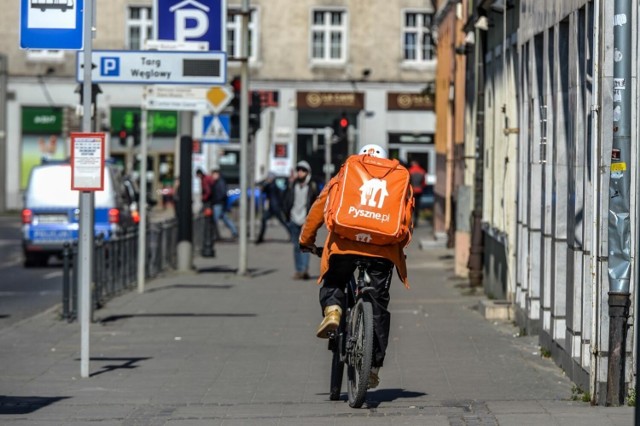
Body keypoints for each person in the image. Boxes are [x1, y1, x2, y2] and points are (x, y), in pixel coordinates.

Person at [298, 144, 413, 389]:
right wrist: (397, 249)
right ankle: (372, 367)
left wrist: (306, 241)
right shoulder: (397, 177)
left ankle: (333, 310)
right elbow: (406, 220)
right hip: (383, 251)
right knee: (379, 303)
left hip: (345, 245)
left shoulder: (345, 173)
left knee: (336, 280)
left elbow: (319, 208)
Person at [283, 160, 319, 280]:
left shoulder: (312, 186)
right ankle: (298, 270)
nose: (300, 172)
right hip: (293, 219)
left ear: (308, 172)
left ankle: (304, 270)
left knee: (304, 246)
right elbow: (286, 199)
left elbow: (316, 203)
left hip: (305, 221)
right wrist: (287, 215)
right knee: (295, 246)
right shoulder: (293, 185)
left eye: (303, 170)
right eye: (298, 170)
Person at [256, 172, 289, 244]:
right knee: (265, 219)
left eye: (269, 178)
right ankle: (260, 237)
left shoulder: (271, 185)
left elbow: (263, 187)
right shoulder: (273, 185)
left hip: (274, 208)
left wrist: (265, 182)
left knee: (283, 222)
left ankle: (293, 235)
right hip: (274, 207)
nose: (268, 179)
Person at [210, 168, 238, 240]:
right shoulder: (217, 182)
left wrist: (217, 200)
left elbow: (222, 193)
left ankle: (213, 235)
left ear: (217, 174)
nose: (212, 176)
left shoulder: (220, 182)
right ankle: (234, 232)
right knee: (225, 218)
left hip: (218, 203)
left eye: (213, 174)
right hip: (219, 203)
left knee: (214, 220)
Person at [408, 160, 427, 227]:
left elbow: (408, 181)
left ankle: (409, 220)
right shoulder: (422, 171)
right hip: (419, 191)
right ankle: (416, 221)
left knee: (410, 206)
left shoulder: (410, 170)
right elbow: (424, 183)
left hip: (411, 191)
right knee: (417, 207)